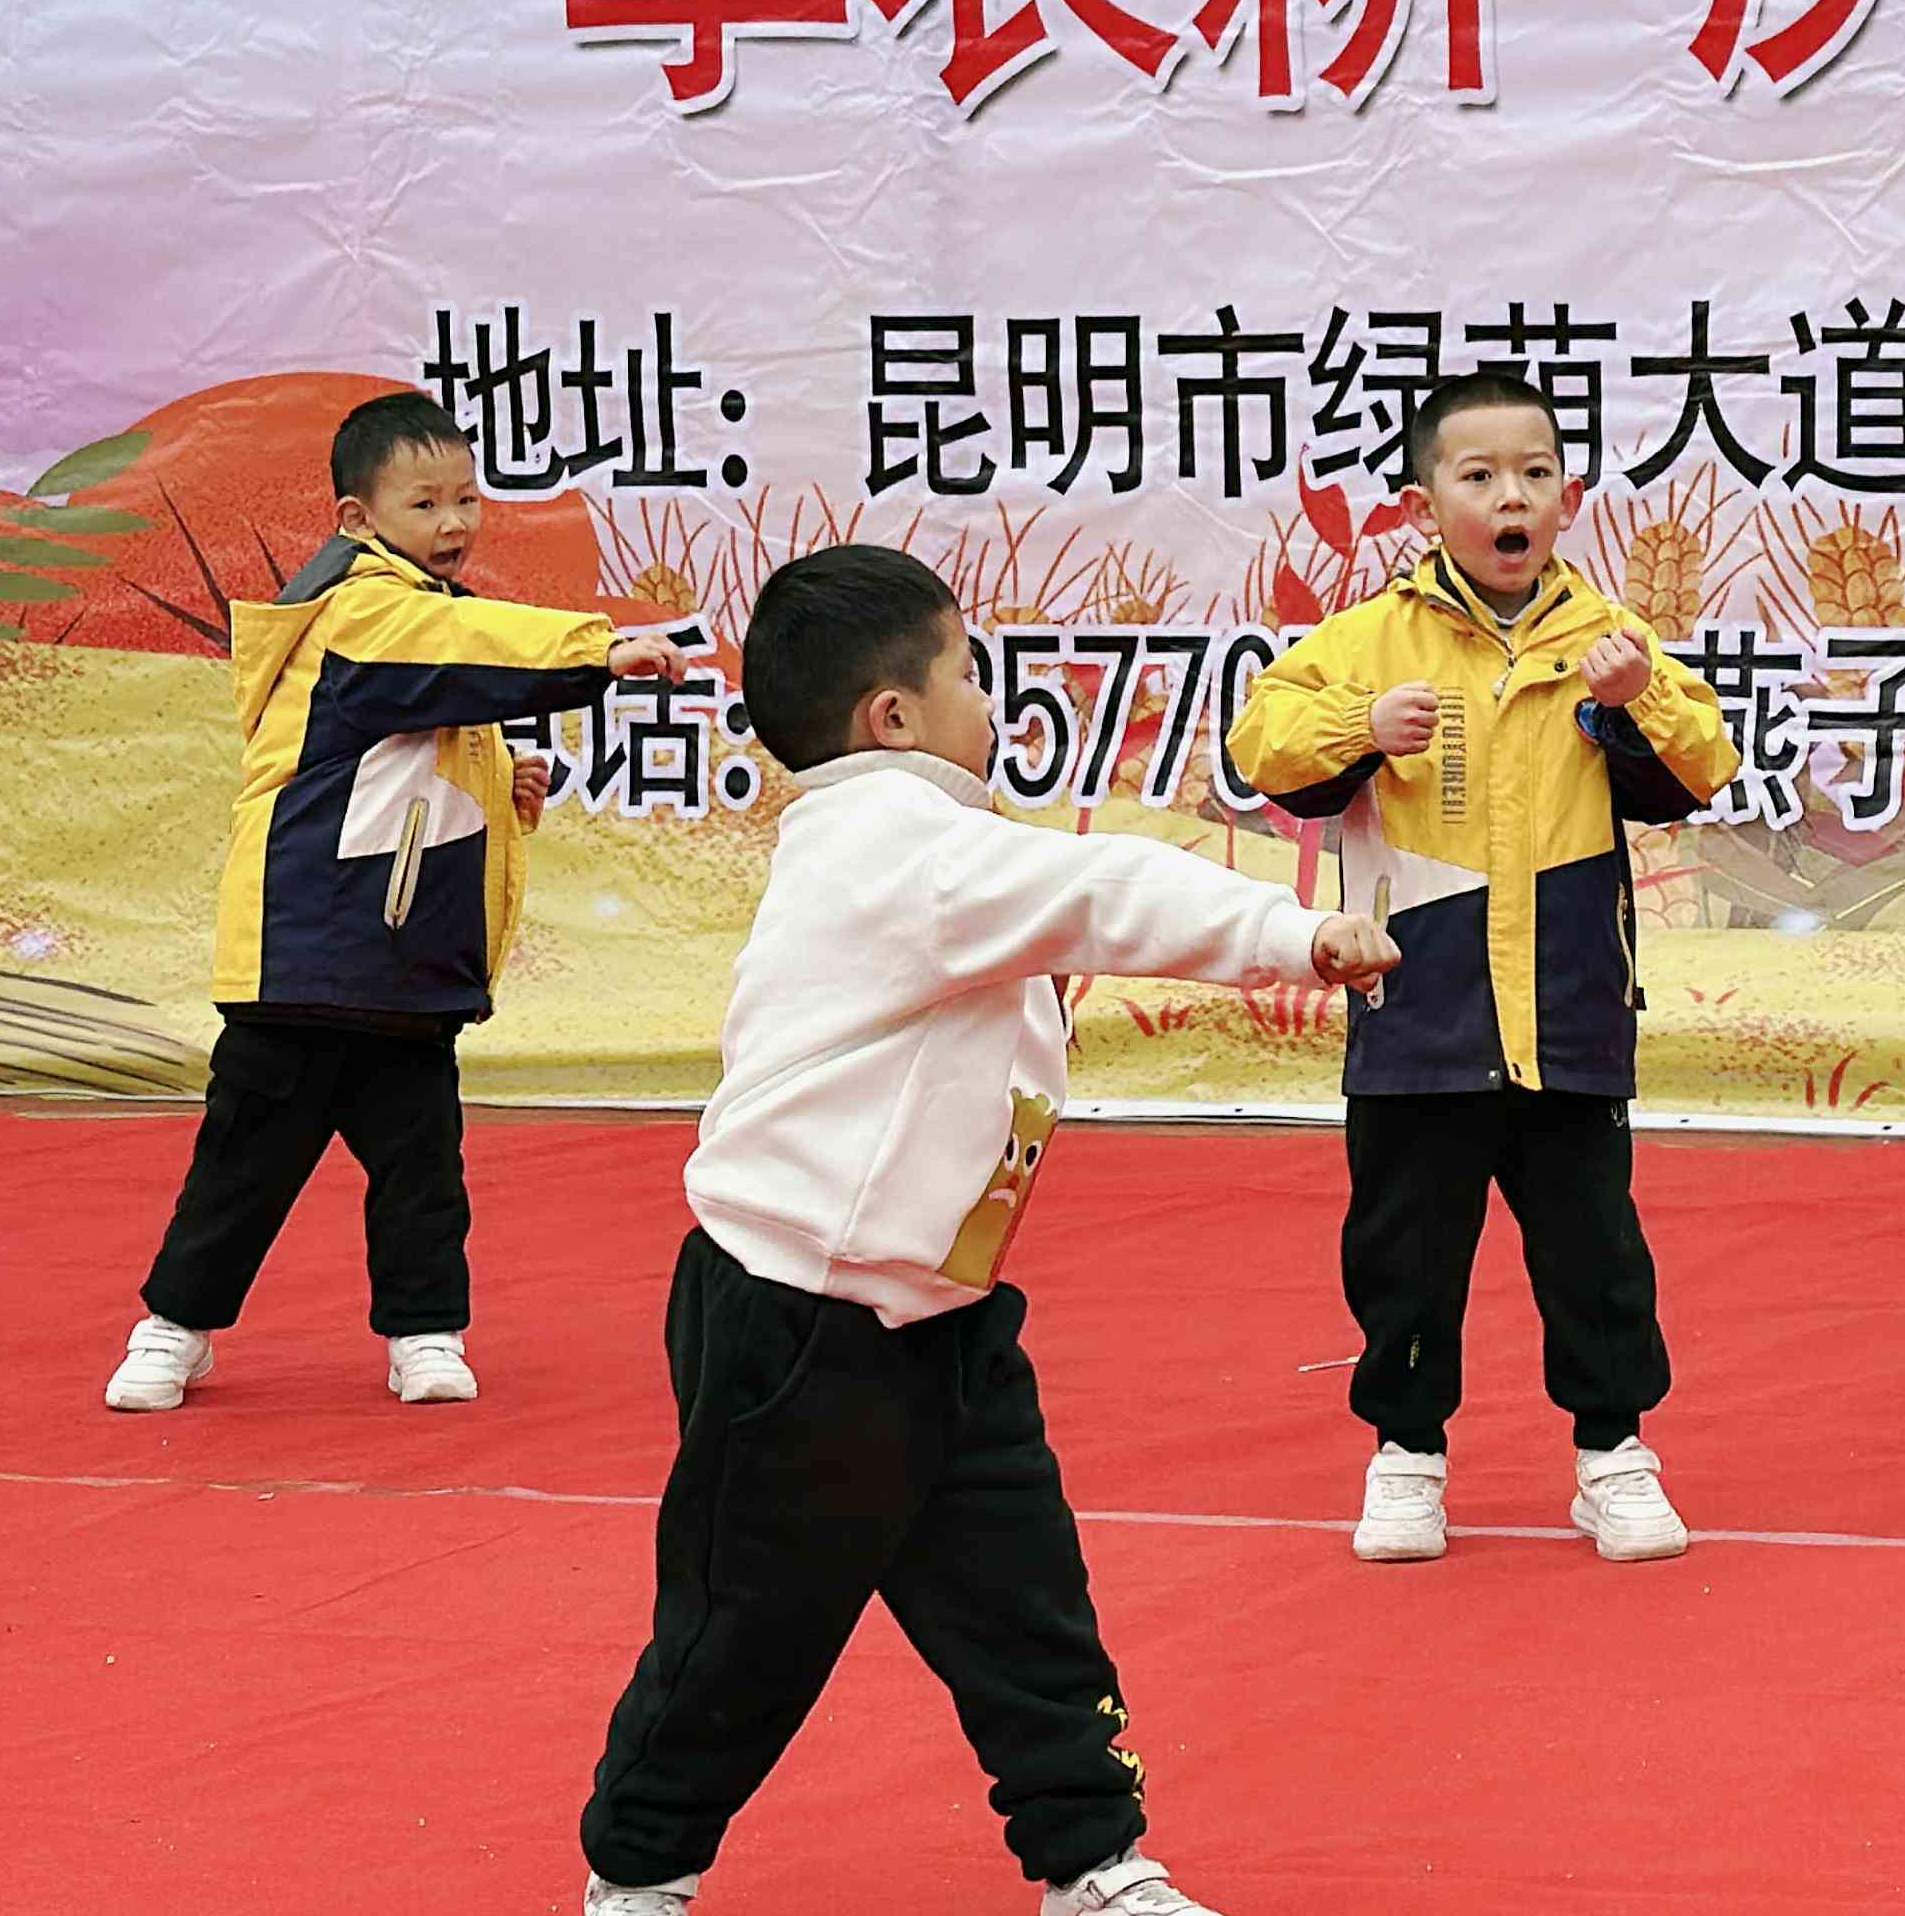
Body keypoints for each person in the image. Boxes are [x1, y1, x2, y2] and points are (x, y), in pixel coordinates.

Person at [576, 543, 1396, 1916]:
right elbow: (1108, 893)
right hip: (800, 1320)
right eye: (966, 672)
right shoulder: (901, 846)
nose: (988, 701)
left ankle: (1091, 1862)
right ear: (888, 719)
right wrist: (1293, 934)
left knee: (1023, 1599)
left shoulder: (921, 844)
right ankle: (638, 1873)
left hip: (941, 1317)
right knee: (746, 1627)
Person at [1227, 372, 1741, 1565]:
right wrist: (1362, 728)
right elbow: (1264, 742)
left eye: (1536, 473)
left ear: (1568, 498)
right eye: (1480, 476)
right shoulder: (1369, 639)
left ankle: (1612, 1453)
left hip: (1567, 1011)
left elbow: (1700, 765)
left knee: (1594, 1250)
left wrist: (1638, 696)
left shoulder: (1606, 637)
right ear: (1421, 505)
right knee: (1405, 1253)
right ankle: (1408, 1456)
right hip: (1419, 1008)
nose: (1512, 496)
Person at [103, 391, 678, 1413]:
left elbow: (415, 758)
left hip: (405, 970)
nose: (455, 523)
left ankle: (424, 1333)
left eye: (467, 498)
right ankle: (172, 1331)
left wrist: (506, 789)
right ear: (357, 520)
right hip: (306, 958)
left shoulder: (425, 627)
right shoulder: (363, 609)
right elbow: (457, 664)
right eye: (425, 504)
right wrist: (598, 649)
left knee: (423, 1173)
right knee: (245, 1166)